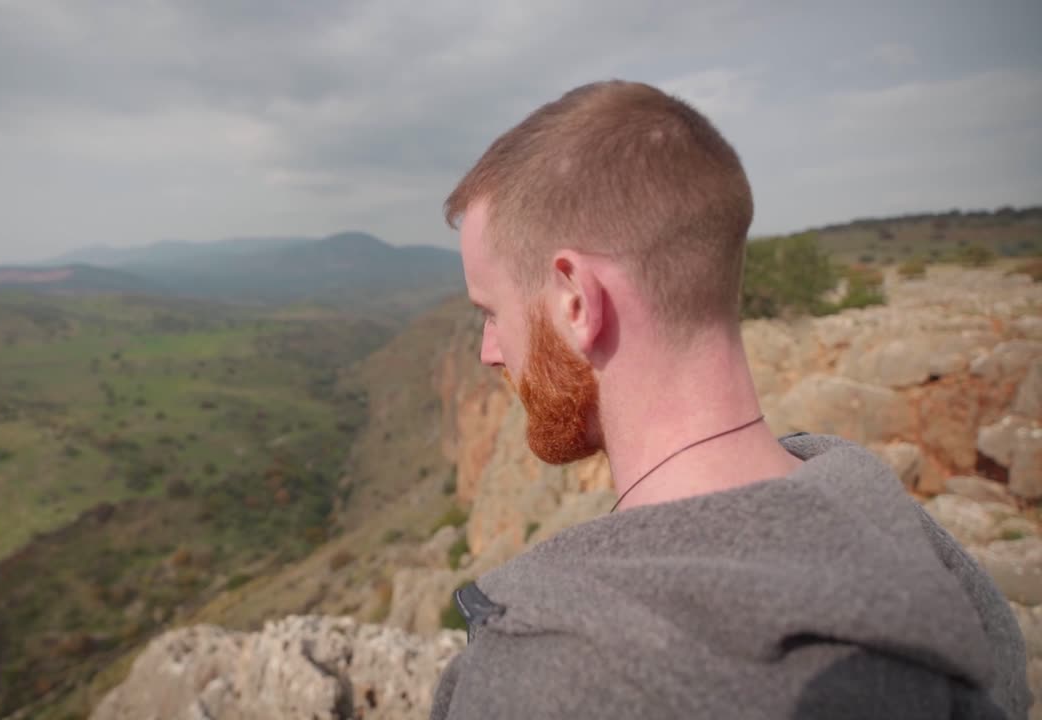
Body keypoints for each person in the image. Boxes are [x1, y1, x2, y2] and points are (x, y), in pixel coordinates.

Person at [429, 80, 1029, 720]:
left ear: (576, 301)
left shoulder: (539, 679)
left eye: (492, 312)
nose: (489, 351)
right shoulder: (953, 583)